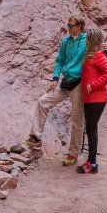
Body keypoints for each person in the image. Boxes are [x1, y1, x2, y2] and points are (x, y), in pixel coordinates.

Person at [25, 16, 87, 166]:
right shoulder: (66, 41)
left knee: (77, 119)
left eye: (71, 25)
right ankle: (35, 139)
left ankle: (73, 153)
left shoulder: (87, 40)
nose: (68, 28)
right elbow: (59, 61)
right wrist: (55, 78)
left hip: (78, 83)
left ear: (79, 26)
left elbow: (100, 55)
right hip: (65, 82)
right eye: (68, 25)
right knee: (43, 101)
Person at [78, 28, 107, 174]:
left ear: (93, 40)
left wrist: (92, 86)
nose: (85, 41)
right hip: (91, 98)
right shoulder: (91, 54)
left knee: (91, 130)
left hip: (96, 98)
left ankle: (92, 163)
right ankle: (90, 160)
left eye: (87, 38)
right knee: (91, 129)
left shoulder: (98, 55)